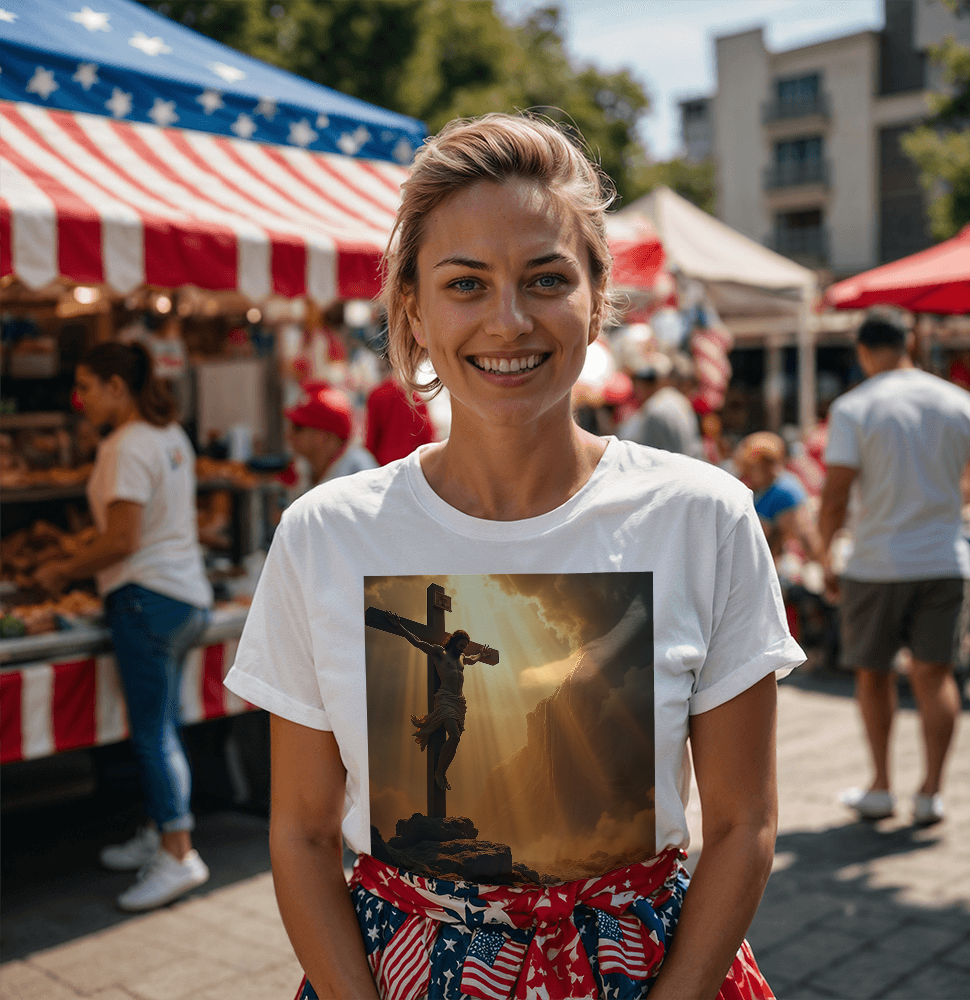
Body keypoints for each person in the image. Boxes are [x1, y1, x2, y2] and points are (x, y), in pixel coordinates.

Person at [224, 113, 803, 1000]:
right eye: (465, 283)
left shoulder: (705, 517)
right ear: (412, 306)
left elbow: (741, 822)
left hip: (651, 972)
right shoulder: (323, 535)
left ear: (597, 298)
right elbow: (301, 832)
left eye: (545, 279)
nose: (508, 320)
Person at [34, 342, 213, 911]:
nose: (80, 398)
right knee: (165, 725)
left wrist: (63, 568)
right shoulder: (170, 436)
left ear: (117, 386)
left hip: (146, 600)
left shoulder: (124, 445)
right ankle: (160, 831)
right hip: (185, 598)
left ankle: (178, 853)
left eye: (87, 385)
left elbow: (122, 540)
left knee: (152, 732)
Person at [819, 312, 970, 825]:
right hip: (945, 557)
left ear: (862, 350)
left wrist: (824, 553)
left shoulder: (855, 408)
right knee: (936, 675)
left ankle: (880, 786)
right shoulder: (957, 400)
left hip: (876, 562)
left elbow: (834, 496)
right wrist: (939, 502)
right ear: (912, 342)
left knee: (873, 676)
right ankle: (930, 792)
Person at [385, 613, 493, 790]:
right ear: (453, 642)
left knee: (455, 740)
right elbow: (417, 642)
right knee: (455, 736)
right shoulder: (440, 652)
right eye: (461, 645)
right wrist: (399, 626)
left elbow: (472, 660)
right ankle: (439, 773)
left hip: (459, 703)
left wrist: (480, 655)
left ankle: (443, 772)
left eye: (465, 646)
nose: (463, 649)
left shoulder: (461, 658)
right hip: (445, 700)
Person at [736, 431, 823, 565]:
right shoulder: (751, 488)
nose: (745, 473)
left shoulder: (785, 489)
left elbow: (806, 536)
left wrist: (823, 567)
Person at [618, 348, 705, 459]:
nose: (643, 385)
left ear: (664, 379)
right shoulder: (676, 399)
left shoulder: (657, 409)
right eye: (640, 379)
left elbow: (650, 459)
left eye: (651, 380)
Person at [285, 383, 377, 488]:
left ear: (323, 436)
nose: (289, 434)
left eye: (298, 427)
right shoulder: (307, 468)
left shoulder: (361, 472)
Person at [365, 368, 436, 466]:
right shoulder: (414, 396)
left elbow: (371, 437)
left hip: (384, 464)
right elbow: (428, 435)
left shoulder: (376, 394)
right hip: (411, 463)